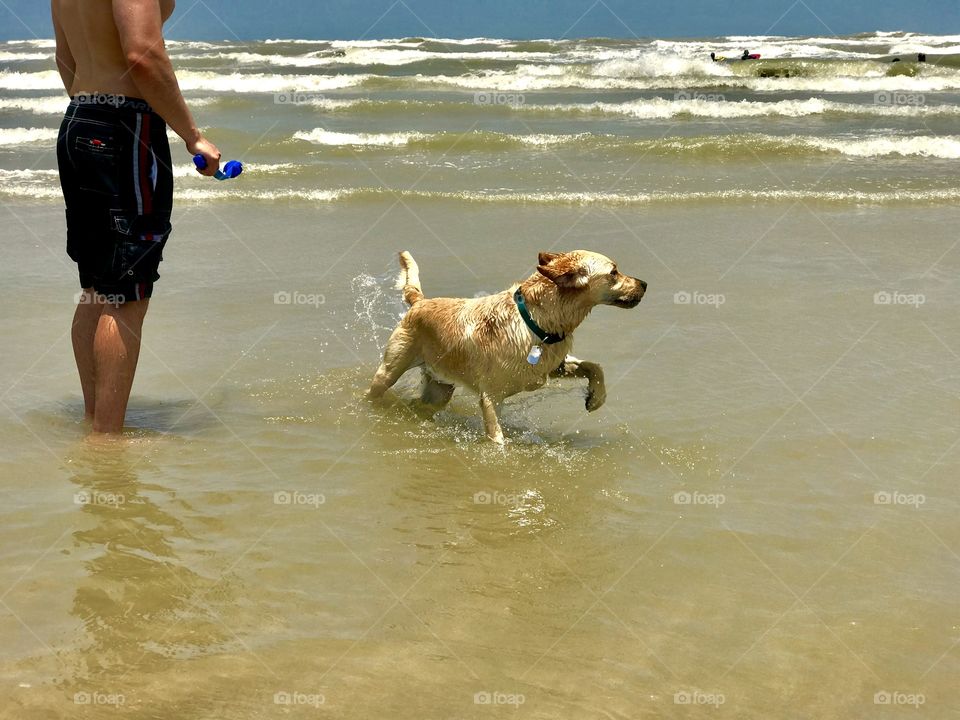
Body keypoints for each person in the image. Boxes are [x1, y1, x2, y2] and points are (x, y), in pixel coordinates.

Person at [52, 0, 222, 434]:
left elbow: (66, 58)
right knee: (126, 291)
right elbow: (142, 54)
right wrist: (193, 136)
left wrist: (93, 114)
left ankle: (96, 422)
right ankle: (107, 441)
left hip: (80, 117)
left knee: (96, 284)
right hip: (124, 126)